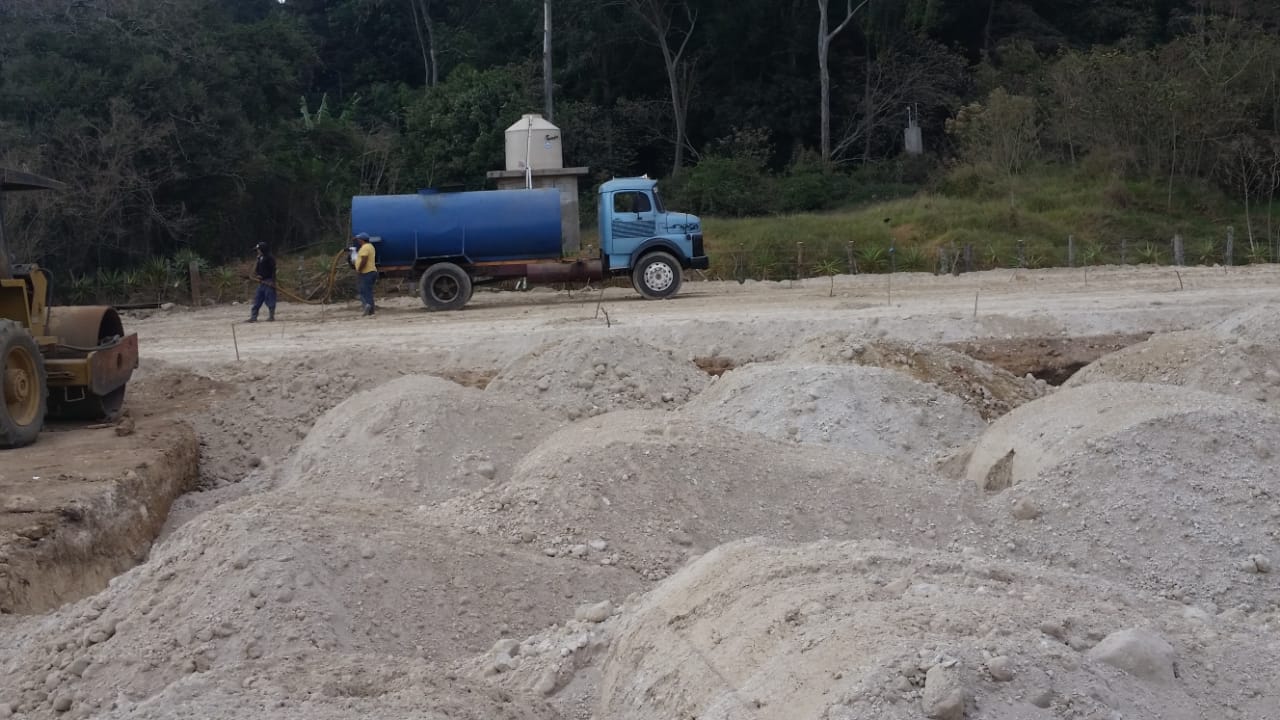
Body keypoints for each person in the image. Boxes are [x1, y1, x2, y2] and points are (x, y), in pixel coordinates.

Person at [247, 241, 277, 323]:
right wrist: (258, 275)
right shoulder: (259, 258)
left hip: (268, 281)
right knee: (257, 298)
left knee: (270, 298)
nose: (257, 251)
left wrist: (273, 282)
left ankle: (271, 316)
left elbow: (273, 271)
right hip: (261, 282)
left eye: (258, 249)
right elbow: (257, 270)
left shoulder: (270, 258)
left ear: (262, 249)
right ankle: (253, 317)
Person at [353, 232, 378, 316]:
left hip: (366, 272)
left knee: (364, 291)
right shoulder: (370, 246)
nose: (358, 241)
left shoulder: (365, 247)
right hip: (371, 271)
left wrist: (359, 269)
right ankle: (370, 310)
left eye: (359, 239)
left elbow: (364, 259)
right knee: (367, 291)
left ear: (362, 240)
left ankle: (368, 306)